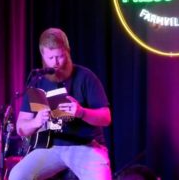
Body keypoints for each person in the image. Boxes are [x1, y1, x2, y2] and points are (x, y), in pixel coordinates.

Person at [9, 28, 112, 180]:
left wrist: (81, 112)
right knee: (17, 175)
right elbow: (21, 127)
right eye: (50, 58)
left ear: (67, 52)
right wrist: (36, 122)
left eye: (60, 57)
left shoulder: (85, 77)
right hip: (51, 147)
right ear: (43, 55)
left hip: (86, 146)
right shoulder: (38, 81)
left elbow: (106, 118)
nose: (56, 63)